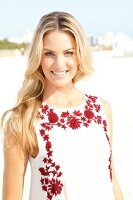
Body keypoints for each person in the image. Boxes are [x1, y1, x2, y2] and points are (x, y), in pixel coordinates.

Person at [1, 11, 124, 200]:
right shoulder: (23, 120)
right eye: (49, 53)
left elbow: (111, 179)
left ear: (80, 54)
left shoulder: (102, 109)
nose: (59, 64)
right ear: (37, 57)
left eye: (68, 53)